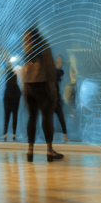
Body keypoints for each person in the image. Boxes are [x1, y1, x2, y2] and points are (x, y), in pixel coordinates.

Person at [20, 27, 64, 163]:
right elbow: (50, 68)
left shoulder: (27, 50)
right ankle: (49, 152)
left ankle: (30, 152)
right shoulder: (43, 46)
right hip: (42, 85)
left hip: (29, 86)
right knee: (47, 117)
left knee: (32, 118)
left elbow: (25, 69)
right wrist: (53, 89)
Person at [51, 52, 70, 143]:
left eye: (60, 61)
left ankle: (64, 134)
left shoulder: (58, 71)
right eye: (59, 61)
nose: (60, 62)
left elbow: (61, 73)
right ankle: (64, 134)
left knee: (59, 116)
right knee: (58, 116)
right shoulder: (56, 71)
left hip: (55, 96)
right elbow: (59, 73)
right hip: (53, 97)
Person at [2, 59, 21, 140]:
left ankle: (5, 132)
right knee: (14, 115)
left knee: (7, 115)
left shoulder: (7, 77)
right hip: (15, 97)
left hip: (8, 97)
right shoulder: (14, 76)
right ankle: (14, 132)